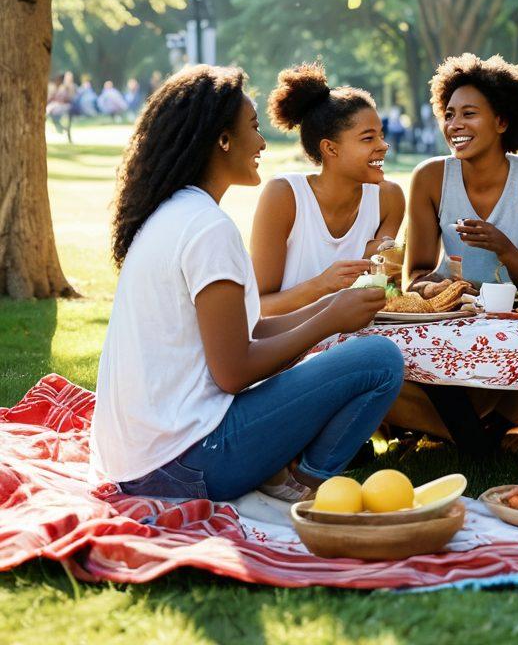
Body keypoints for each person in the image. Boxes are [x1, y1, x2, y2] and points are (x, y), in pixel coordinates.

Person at [90, 65, 403, 503]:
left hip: (141, 461)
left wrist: (330, 308)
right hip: (186, 464)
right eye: (253, 128)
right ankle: (309, 483)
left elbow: (248, 329)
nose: (261, 142)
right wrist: (329, 320)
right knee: (380, 358)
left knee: (364, 352)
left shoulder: (174, 213)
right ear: (222, 140)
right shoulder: (207, 228)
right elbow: (233, 372)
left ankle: (282, 468)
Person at [396, 53, 518, 443]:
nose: (454, 125)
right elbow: (415, 275)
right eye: (449, 114)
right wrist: (438, 290)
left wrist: (504, 249)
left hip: (513, 340)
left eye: (468, 114)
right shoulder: (430, 177)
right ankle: (480, 436)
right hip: (448, 333)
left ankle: (465, 432)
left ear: (502, 121)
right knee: (389, 377)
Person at [250, 62, 405, 317]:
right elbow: (257, 308)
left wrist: (387, 272)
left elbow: (385, 296)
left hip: (355, 338)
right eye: (368, 138)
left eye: (381, 135)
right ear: (330, 149)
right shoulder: (285, 195)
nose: (384, 145)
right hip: (290, 345)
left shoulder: (388, 198)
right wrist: (323, 285)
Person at [46, 71, 76, 141]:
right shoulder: (59, 87)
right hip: (56, 105)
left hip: (63, 106)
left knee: (52, 111)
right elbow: (54, 97)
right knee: (51, 112)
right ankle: (62, 129)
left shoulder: (70, 87)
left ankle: (62, 129)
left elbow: (70, 98)